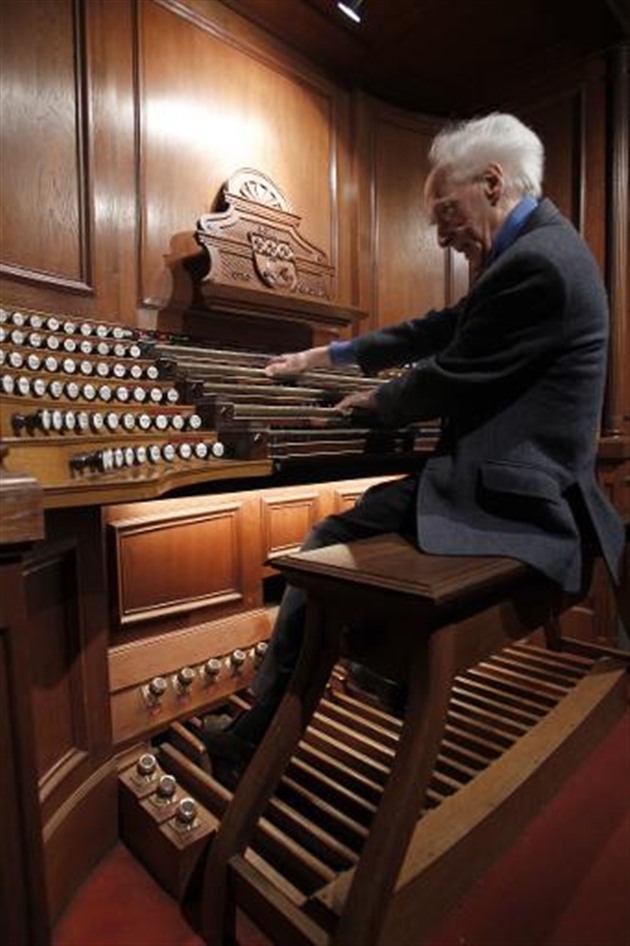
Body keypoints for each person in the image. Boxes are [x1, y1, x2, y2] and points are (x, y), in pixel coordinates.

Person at [201, 112, 625, 784]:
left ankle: (259, 731)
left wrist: (374, 401)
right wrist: (331, 353)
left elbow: (452, 376)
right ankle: (382, 670)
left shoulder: (537, 264)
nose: (439, 231)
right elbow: (446, 328)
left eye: (445, 209)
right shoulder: (540, 246)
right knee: (372, 518)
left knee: (324, 544)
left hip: (515, 502)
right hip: (529, 481)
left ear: (491, 183)